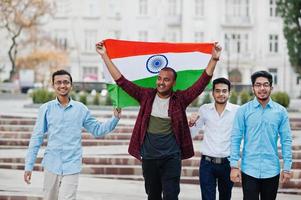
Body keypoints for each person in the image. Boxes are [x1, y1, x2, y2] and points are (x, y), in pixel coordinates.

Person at [96, 41, 221, 200]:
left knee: (171, 195)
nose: (161, 82)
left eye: (166, 79)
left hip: (171, 158)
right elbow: (121, 81)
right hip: (149, 157)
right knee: (153, 195)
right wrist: (104, 55)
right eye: (159, 78)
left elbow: (201, 83)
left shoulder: (180, 99)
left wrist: (214, 59)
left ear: (173, 83)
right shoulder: (146, 96)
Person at [24, 69, 121, 200]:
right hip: (51, 164)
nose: (62, 85)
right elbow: (37, 138)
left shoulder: (81, 109)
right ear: (53, 85)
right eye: (58, 82)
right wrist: (28, 166)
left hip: (72, 165)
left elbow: (97, 130)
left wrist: (115, 118)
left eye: (66, 82)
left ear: (71, 85)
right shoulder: (46, 109)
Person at [229, 70, 292, 200]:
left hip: (272, 170)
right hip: (249, 170)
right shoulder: (243, 111)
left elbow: (286, 140)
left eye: (265, 84)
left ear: (271, 87)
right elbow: (235, 138)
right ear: (253, 88)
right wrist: (234, 166)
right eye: (258, 85)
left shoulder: (281, 112)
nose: (262, 88)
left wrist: (286, 168)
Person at [188, 77, 239, 200]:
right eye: (217, 91)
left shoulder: (237, 111)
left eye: (224, 91)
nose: (221, 94)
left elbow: (240, 138)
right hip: (207, 164)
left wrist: (236, 165)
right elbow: (191, 134)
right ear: (213, 93)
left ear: (229, 93)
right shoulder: (204, 109)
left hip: (227, 163)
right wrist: (191, 123)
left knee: (225, 197)